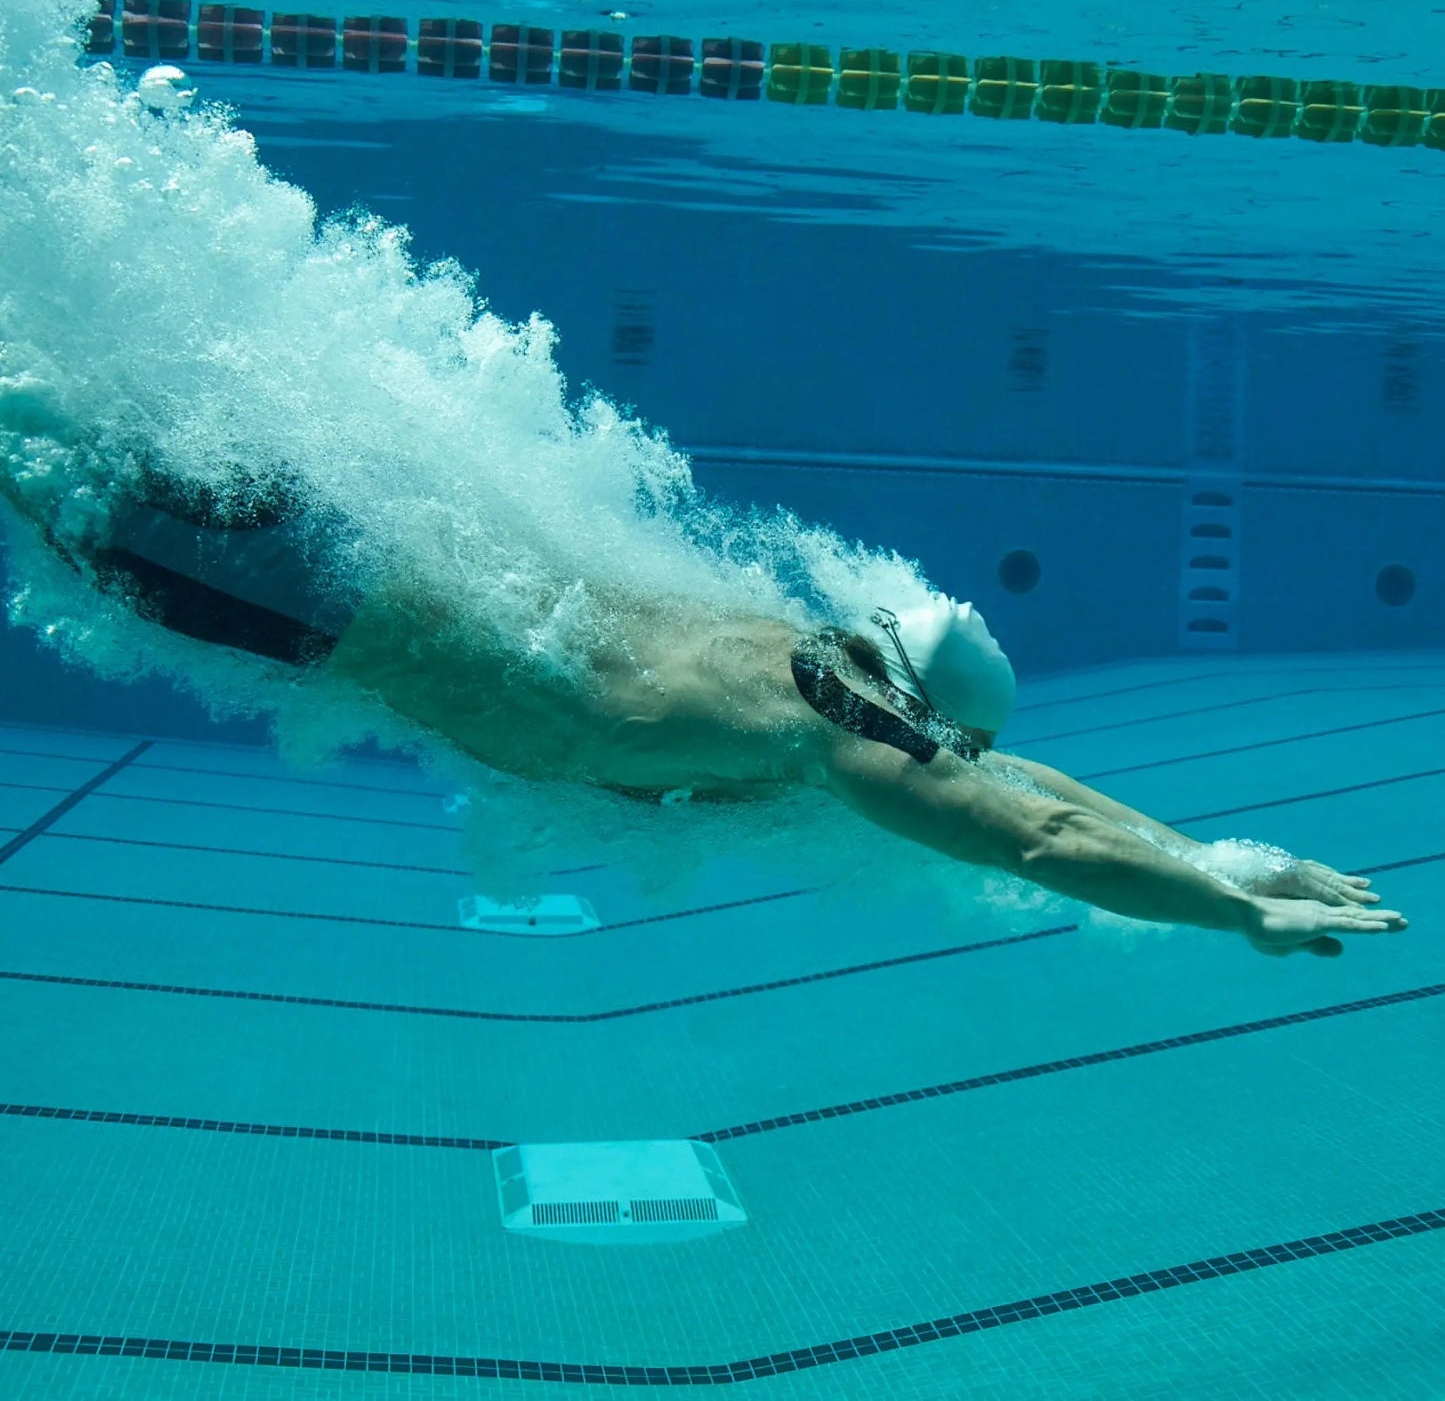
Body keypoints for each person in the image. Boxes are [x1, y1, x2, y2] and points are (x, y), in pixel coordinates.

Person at [0, 462, 1407, 960]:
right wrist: (1236, 917)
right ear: (915, 711)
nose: (946, 766)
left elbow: (1029, 781)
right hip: (299, 594)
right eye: (943, 746)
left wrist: (1214, 858)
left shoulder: (795, 652)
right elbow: (1027, 832)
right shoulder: (834, 722)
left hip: (325, 566)